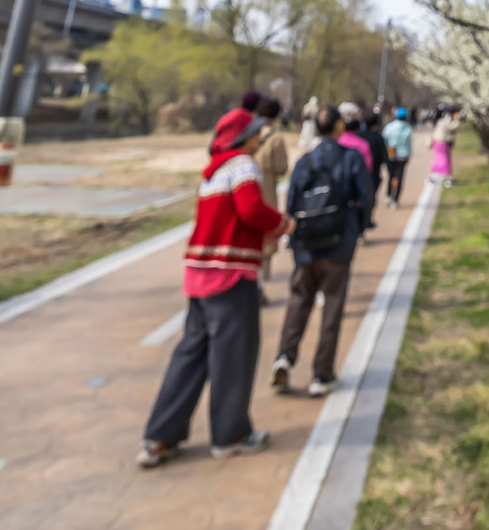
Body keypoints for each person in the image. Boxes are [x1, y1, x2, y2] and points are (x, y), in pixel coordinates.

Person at [138, 107, 293, 468]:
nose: (260, 137)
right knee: (233, 357)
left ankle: (160, 436)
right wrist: (284, 224)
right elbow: (251, 210)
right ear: (244, 138)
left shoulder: (213, 172)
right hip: (230, 274)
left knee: (190, 354)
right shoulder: (242, 165)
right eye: (256, 132)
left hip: (199, 273)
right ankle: (230, 435)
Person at [270, 107, 373, 398]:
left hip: (305, 245)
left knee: (299, 299)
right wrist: (359, 228)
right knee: (333, 305)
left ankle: (285, 357)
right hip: (338, 243)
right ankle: (321, 374)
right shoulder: (350, 158)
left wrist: (296, 235)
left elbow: (290, 202)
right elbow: (365, 197)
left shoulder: (304, 162)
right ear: (339, 126)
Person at [251, 97, 288, 303]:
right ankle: (261, 280)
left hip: (245, 191)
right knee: (267, 237)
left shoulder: (247, 134)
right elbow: (282, 168)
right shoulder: (275, 138)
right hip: (266, 191)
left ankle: (256, 284)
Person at [381, 108, 413, 208]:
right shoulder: (408, 128)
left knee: (391, 175)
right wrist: (409, 155)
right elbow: (409, 144)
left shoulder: (389, 126)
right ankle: (395, 200)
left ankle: (389, 195)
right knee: (399, 177)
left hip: (391, 152)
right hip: (403, 154)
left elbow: (384, 139)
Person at [430, 106, 460, 187]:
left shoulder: (441, 121)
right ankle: (449, 179)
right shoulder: (445, 121)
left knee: (438, 159)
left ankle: (432, 176)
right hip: (442, 143)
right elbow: (453, 127)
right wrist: (456, 120)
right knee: (446, 161)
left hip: (438, 143)